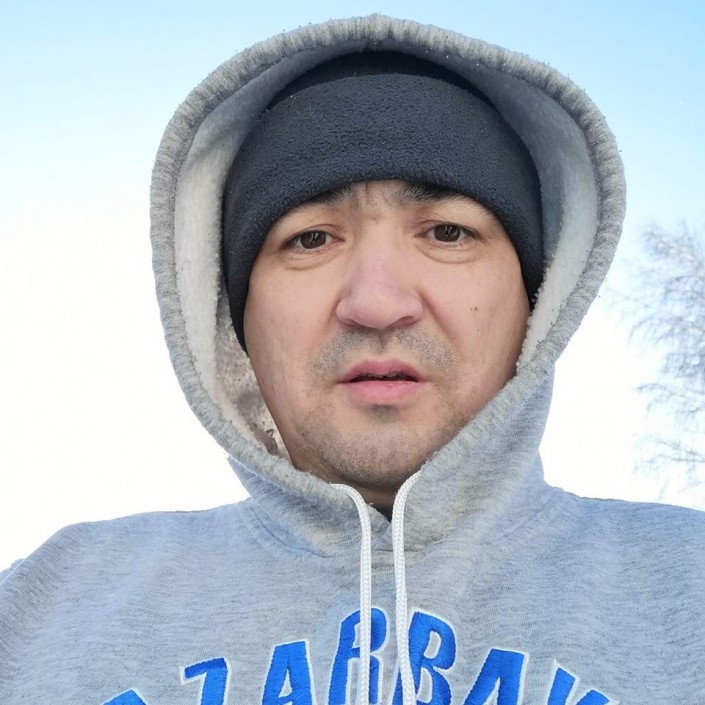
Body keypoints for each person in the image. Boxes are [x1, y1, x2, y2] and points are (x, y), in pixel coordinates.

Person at [1, 14, 704, 705]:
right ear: (236, 321)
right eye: (310, 239)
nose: (376, 303)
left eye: (447, 232)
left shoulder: (687, 583)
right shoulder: (44, 611)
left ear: (538, 300)